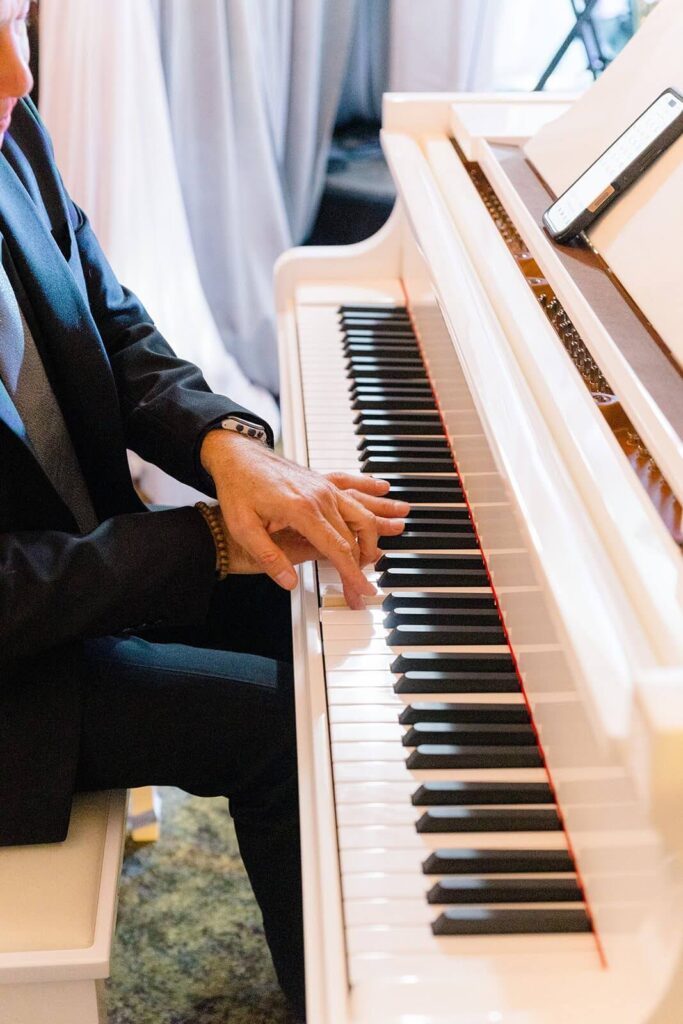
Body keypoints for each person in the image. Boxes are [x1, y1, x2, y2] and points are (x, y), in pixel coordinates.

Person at [0, 1, 408, 1019]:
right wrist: (206, 539)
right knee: (278, 730)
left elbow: (111, 320)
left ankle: (395, 946)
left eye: (17, 18)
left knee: (310, 600)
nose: (19, 73)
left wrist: (229, 448)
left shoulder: (9, 121)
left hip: (64, 572)